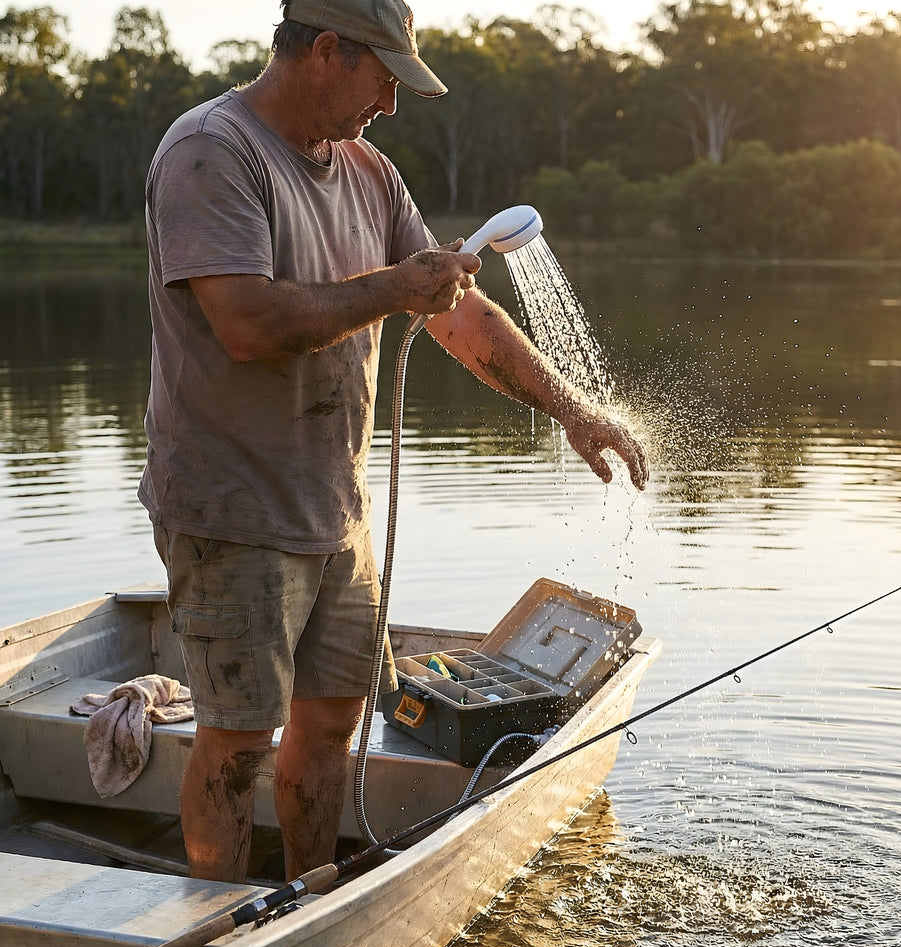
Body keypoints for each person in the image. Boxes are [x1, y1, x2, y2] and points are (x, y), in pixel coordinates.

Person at [140, 0, 649, 884]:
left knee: (333, 721)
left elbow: (459, 317)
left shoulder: (371, 173)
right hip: (231, 509)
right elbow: (248, 324)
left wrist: (571, 408)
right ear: (327, 51)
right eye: (384, 77)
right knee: (234, 743)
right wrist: (395, 287)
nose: (392, 103)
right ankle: (211, 931)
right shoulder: (210, 152)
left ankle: (310, 894)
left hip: (337, 513)